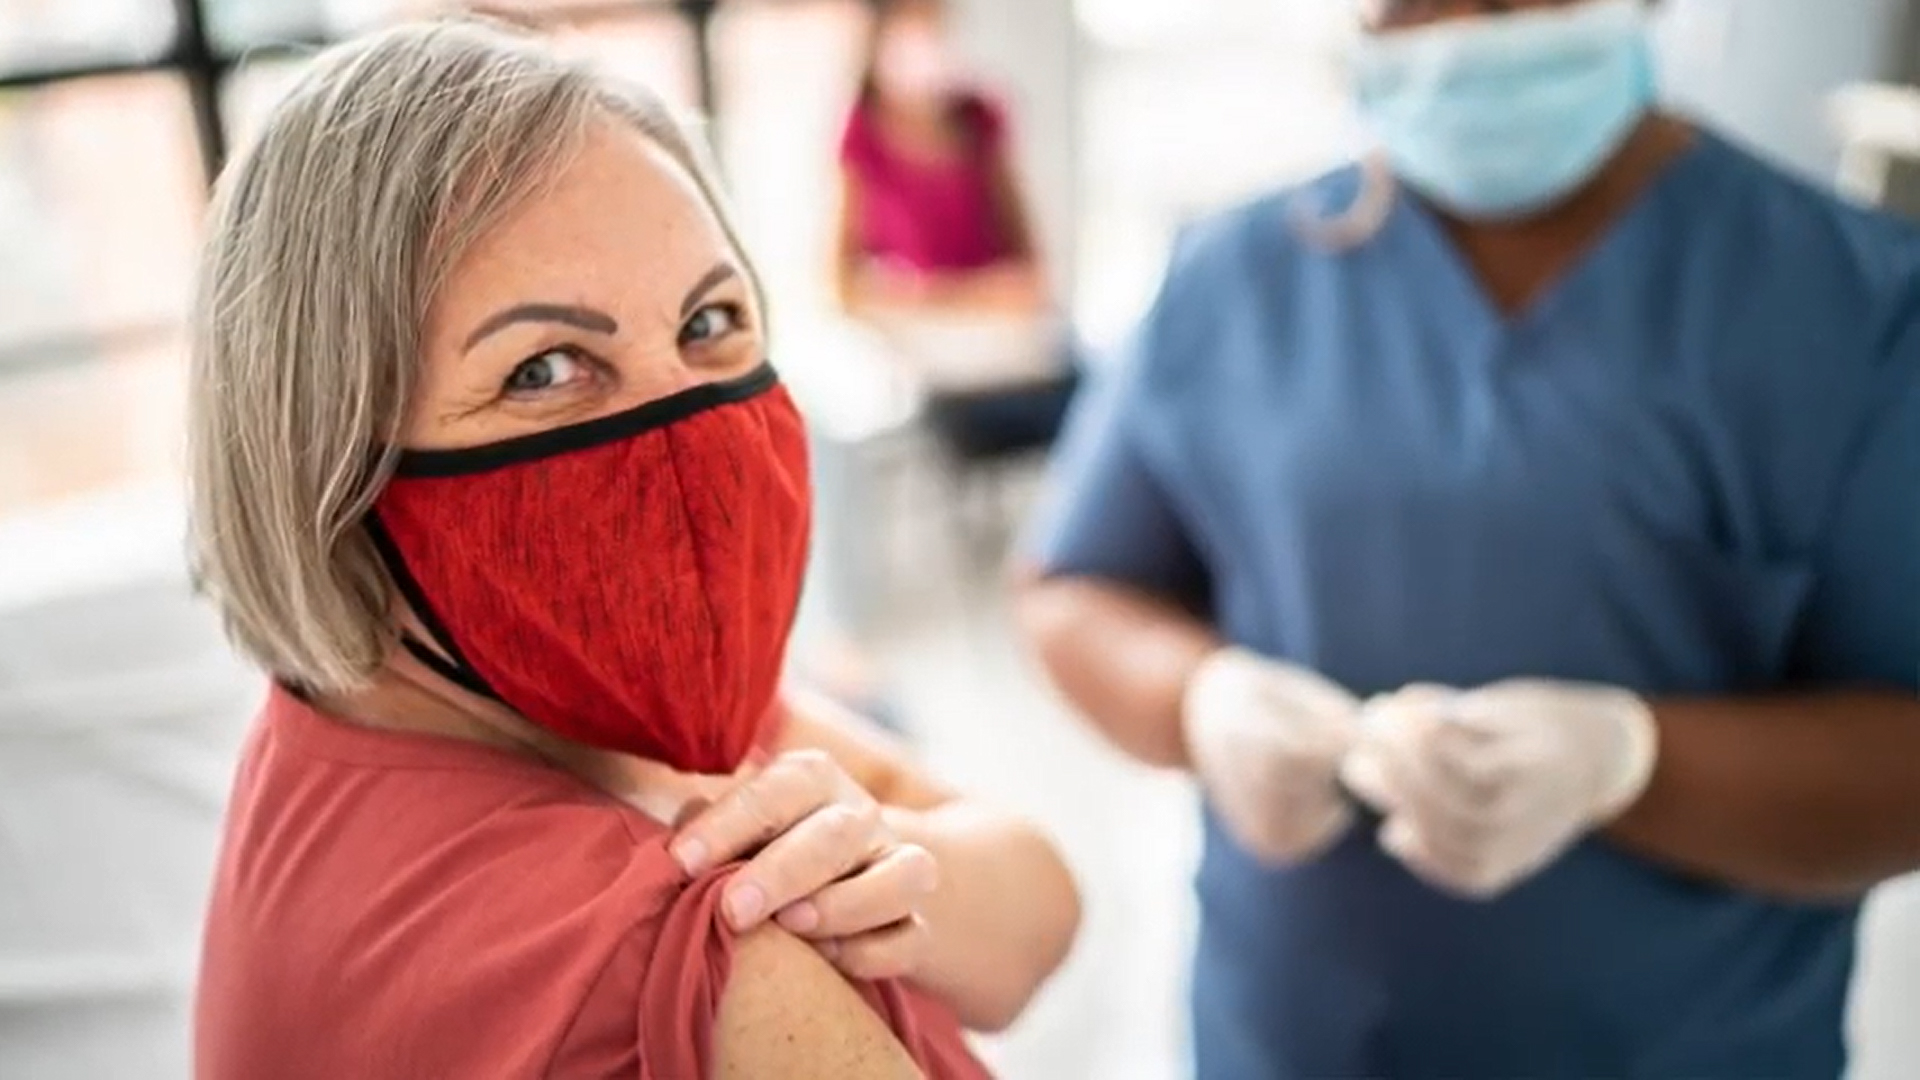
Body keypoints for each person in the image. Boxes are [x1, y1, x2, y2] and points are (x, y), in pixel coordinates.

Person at [1017, 0, 1920, 1076]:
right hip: (1289, 1041)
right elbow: (1075, 589)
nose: (1462, 21)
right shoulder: (1236, 275)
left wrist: (1629, 765)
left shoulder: (1851, 303)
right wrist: (1197, 698)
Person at [188, 20, 1079, 1078]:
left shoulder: (479, 710)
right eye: (542, 368)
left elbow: (1041, 907)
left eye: (709, 322)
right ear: (324, 450)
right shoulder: (690, 958)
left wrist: (893, 877)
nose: (687, 433)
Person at [835, 0, 1078, 461]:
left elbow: (1032, 277)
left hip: (1007, 354)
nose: (924, 40)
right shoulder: (861, 137)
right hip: (932, 368)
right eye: (910, 24)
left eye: (935, 25)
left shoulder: (983, 120)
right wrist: (937, 299)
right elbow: (841, 287)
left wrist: (935, 296)